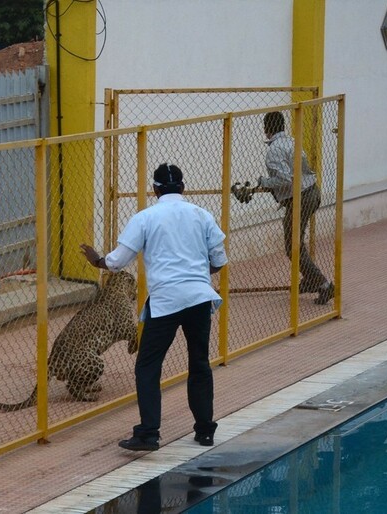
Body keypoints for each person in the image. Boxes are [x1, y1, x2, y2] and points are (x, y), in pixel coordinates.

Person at [80, 163, 228, 452]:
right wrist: (194, 274)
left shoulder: (145, 218)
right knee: (199, 362)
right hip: (199, 297)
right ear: (183, 188)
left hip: (166, 302)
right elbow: (219, 259)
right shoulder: (202, 215)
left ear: (155, 190)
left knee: (148, 366)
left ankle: (149, 433)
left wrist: (96, 260)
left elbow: (116, 262)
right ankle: (205, 431)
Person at [232, 110, 334, 305]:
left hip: (301, 198)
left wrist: (264, 181)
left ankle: (322, 284)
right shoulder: (290, 142)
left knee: (292, 247)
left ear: (267, 129)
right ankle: (312, 280)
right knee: (296, 243)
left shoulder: (273, 150)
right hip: (312, 192)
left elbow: (285, 179)